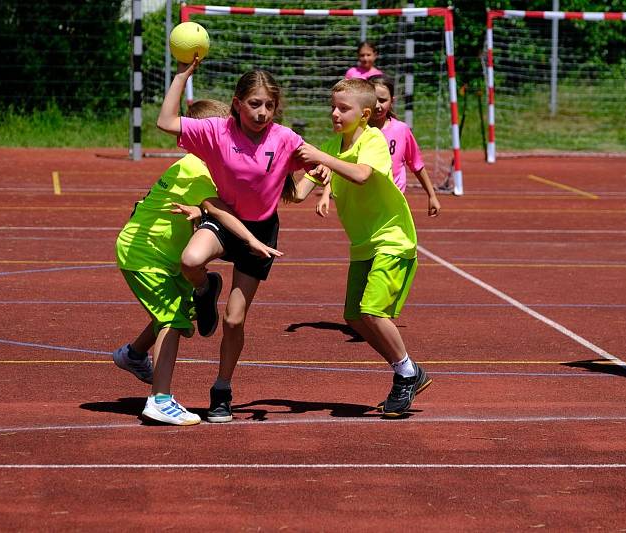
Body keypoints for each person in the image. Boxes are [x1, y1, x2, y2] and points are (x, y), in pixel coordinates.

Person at [113, 99, 283, 425]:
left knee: (179, 306)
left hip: (158, 256)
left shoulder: (198, 164)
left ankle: (134, 354)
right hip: (146, 258)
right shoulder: (199, 167)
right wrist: (250, 238)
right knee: (173, 321)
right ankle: (159, 400)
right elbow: (220, 208)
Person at [156, 59, 305, 423]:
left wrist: (321, 174)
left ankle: (222, 389)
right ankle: (206, 288)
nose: (262, 112)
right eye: (255, 103)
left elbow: (309, 169)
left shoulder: (283, 138)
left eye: (269, 105)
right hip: (224, 221)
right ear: (237, 103)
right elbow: (165, 123)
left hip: (260, 232)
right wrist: (181, 76)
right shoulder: (216, 131)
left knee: (234, 321)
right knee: (190, 261)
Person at [292, 78, 432, 417]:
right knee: (354, 316)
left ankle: (407, 372)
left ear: (365, 114)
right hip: (363, 245)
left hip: (392, 239)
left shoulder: (373, 140)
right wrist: (279, 166)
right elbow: (297, 194)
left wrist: (322, 157)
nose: (335, 113)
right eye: (333, 107)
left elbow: (361, 174)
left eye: (343, 108)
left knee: (372, 311)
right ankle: (408, 371)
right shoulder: (331, 144)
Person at [316, 74, 441, 218]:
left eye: (383, 100)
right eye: (375, 100)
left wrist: (432, 195)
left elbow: (417, 165)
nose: (377, 105)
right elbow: (337, 164)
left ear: (392, 101)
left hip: (392, 200)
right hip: (364, 199)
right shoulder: (356, 132)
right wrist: (326, 193)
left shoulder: (401, 130)